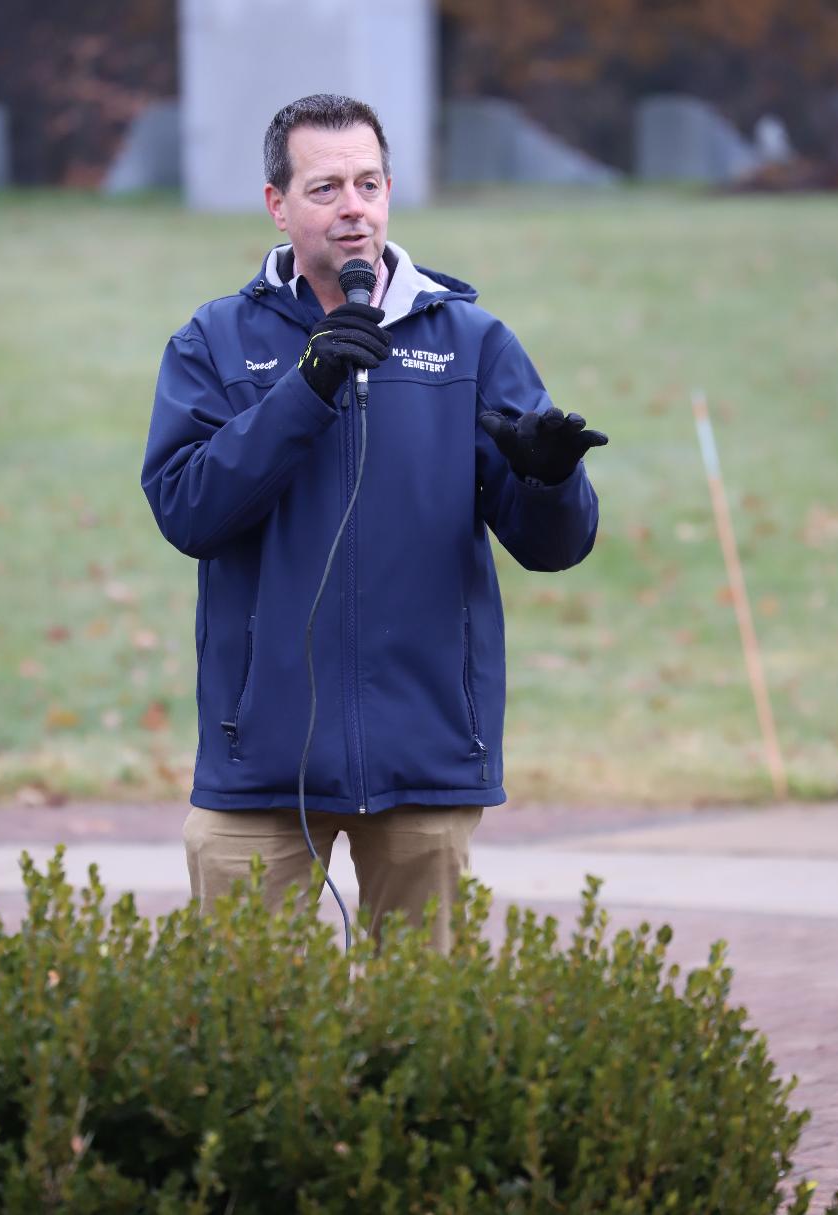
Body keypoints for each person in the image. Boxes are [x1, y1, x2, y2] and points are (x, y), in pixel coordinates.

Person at [141, 94, 607, 952]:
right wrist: (307, 388)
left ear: (390, 190)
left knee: (421, 1038)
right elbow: (187, 507)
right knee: (250, 1036)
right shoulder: (215, 341)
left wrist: (550, 481)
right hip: (261, 763)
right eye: (325, 189)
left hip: (424, 755)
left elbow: (554, 547)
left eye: (368, 183)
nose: (353, 207)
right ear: (278, 206)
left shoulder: (468, 342)